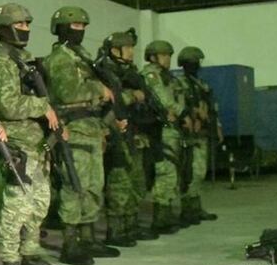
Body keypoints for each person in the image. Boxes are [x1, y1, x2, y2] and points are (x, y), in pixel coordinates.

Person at [0, 3, 68, 265]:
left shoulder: (25, 59)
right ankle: (10, 262)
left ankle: (30, 252)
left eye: (27, 25)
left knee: (39, 202)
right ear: (3, 28)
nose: (25, 29)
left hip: (37, 142)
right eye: (19, 24)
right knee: (17, 204)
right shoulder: (1, 62)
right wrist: (42, 106)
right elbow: (6, 105)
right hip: (17, 142)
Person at [39, 6, 121, 262]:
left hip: (91, 128)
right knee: (75, 187)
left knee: (94, 186)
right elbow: (67, 92)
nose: (81, 31)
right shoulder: (61, 58)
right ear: (62, 29)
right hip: (73, 130)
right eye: (75, 27)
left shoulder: (81, 55)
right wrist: (99, 89)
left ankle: (88, 238)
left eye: (83, 27)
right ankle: (70, 243)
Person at [94, 30, 155, 246]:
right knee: (119, 182)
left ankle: (131, 224)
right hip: (113, 131)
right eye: (127, 48)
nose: (131, 52)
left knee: (135, 181)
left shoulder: (129, 72)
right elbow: (106, 102)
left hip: (132, 132)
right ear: (115, 50)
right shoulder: (103, 71)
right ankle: (116, 229)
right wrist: (132, 96)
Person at [140, 40, 187, 235]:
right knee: (164, 171)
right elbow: (164, 101)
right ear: (153, 57)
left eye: (169, 55)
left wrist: (179, 112)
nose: (168, 59)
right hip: (160, 130)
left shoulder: (168, 77)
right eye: (164, 55)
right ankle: (159, 219)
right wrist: (179, 111)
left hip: (171, 129)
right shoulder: (151, 75)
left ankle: (166, 215)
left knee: (172, 172)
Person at [176, 46, 220, 223]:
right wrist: (194, 112)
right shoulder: (180, 83)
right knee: (190, 172)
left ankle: (195, 207)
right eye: (193, 62)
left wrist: (217, 127)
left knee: (200, 172)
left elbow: (211, 107)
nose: (196, 65)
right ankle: (188, 210)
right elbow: (179, 105)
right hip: (188, 134)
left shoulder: (201, 84)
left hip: (202, 132)